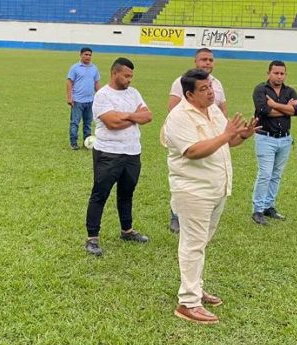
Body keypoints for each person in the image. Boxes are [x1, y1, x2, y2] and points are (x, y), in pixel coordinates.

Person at [163, 68, 257, 324]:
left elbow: (225, 143)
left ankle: (195, 287)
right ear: (189, 94)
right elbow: (192, 151)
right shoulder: (178, 117)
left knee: (201, 242)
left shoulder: (213, 110)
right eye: (203, 89)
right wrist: (226, 135)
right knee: (193, 244)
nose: (210, 92)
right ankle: (188, 303)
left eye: (211, 87)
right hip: (193, 191)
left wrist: (242, 136)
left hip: (217, 188)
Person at [84, 58, 152, 256]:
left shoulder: (134, 93)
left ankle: (127, 231)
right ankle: (92, 238)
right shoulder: (103, 95)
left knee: (127, 193)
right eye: (126, 75)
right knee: (100, 194)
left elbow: (148, 116)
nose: (129, 80)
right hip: (108, 153)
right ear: (115, 73)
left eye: (131, 76)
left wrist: (124, 116)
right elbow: (111, 123)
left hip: (132, 152)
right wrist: (134, 116)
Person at [167, 48, 228, 233]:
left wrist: (224, 132)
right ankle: (177, 215)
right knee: (186, 178)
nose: (207, 63)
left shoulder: (217, 84)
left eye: (210, 60)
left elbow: (222, 108)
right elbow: (173, 109)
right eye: (203, 59)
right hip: (189, 135)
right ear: (195, 61)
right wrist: (187, 131)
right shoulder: (182, 82)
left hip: (213, 136)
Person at [251, 60, 297, 225]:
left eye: (282, 73)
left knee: (276, 175)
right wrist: (286, 109)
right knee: (265, 174)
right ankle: (257, 210)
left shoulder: (290, 91)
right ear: (269, 73)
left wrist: (274, 105)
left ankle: (269, 206)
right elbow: (263, 111)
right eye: (276, 73)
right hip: (265, 137)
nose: (279, 76)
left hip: (285, 139)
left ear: (285, 74)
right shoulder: (260, 89)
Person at [66, 47, 101, 150]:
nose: (88, 57)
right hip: (77, 101)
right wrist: (69, 97)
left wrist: (100, 96)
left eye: (90, 55)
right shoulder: (75, 68)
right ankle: (73, 143)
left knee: (88, 124)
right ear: (80, 55)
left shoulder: (94, 68)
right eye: (86, 54)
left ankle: (87, 142)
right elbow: (69, 82)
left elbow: (97, 83)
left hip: (90, 101)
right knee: (75, 123)